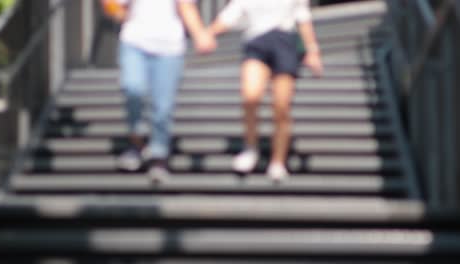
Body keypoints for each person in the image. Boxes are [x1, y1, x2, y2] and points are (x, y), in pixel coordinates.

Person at [209, 0, 324, 181]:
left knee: (281, 106)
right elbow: (229, 15)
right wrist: (207, 34)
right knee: (250, 96)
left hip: (284, 42)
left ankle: (278, 161)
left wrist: (312, 51)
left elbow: (303, 17)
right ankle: (250, 148)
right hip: (257, 41)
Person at [104, 0, 217, 179]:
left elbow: (186, 6)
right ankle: (137, 144)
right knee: (133, 88)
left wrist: (199, 34)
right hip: (134, 41)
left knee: (162, 106)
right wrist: (118, 13)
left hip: (169, 47)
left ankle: (159, 154)